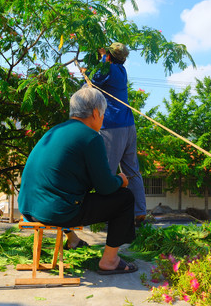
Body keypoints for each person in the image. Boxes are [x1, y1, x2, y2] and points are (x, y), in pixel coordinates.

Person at [18, 87, 138, 274]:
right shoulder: (90, 137)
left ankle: (72, 239)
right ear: (95, 113)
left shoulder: (56, 130)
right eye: (103, 114)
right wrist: (120, 180)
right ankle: (110, 261)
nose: (103, 119)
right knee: (125, 198)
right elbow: (105, 187)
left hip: (29, 208)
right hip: (54, 212)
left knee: (67, 193)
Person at [90, 42, 147, 226]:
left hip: (112, 127)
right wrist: (104, 58)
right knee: (132, 171)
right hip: (129, 126)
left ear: (110, 56)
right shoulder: (122, 71)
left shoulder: (109, 70)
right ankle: (139, 212)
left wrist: (100, 59)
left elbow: (92, 81)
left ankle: (103, 215)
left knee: (107, 170)